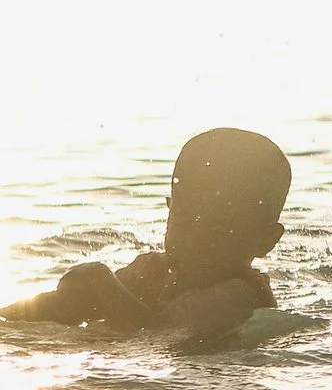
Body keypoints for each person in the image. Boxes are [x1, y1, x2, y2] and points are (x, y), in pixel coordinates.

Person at [4, 128, 292, 338]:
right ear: (169, 209)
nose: (192, 243)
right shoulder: (153, 270)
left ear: (266, 241)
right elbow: (84, 303)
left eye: (216, 231)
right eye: (182, 221)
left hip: (203, 378)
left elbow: (154, 335)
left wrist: (100, 280)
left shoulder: (239, 295)